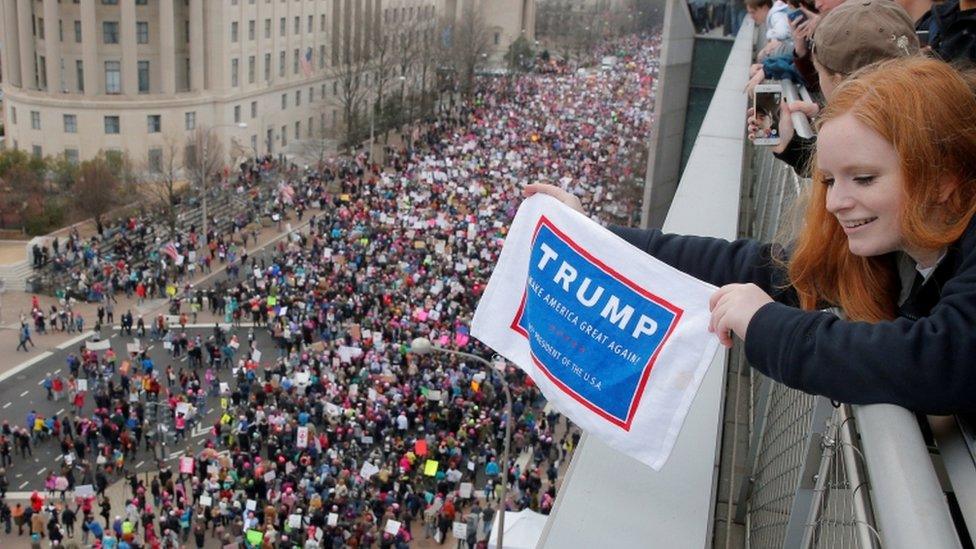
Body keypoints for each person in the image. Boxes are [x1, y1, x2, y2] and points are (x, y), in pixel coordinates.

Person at [527, 56, 976, 414]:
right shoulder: (888, 242)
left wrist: (764, 323)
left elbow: (940, 360)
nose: (837, 202)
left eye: (863, 179)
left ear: (940, 177)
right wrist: (594, 237)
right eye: (829, 180)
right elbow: (756, 266)